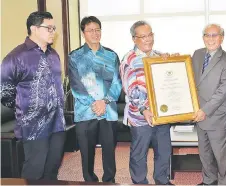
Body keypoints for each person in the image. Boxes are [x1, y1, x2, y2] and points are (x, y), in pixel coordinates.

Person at [0, 11, 66, 180]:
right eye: (48, 28)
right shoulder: (16, 57)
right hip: (34, 127)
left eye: (54, 28)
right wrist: (27, 109)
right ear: (34, 28)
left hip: (57, 123)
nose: (53, 31)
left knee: (52, 169)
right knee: (34, 171)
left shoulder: (53, 54)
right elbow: (4, 93)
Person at [119, 20, 175, 185]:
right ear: (134, 39)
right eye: (143, 36)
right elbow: (131, 89)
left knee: (163, 150)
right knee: (139, 153)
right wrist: (143, 109)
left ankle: (162, 179)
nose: (148, 39)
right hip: (140, 116)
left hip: (161, 114)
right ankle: (139, 181)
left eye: (150, 34)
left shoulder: (158, 56)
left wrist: (170, 61)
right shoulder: (129, 59)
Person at [68, 16, 122, 183]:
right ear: (83, 32)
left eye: (97, 29)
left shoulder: (111, 55)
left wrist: (103, 102)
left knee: (109, 149)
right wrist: (93, 104)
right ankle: (89, 180)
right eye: (90, 30)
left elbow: (117, 82)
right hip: (85, 112)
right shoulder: (74, 57)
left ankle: (109, 180)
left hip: (108, 111)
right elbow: (76, 85)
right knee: (86, 151)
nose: (95, 33)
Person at [191, 24, 226, 185]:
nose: (210, 39)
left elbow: (223, 92)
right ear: (203, 37)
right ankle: (209, 180)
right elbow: (187, 77)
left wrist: (205, 110)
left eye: (214, 35)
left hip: (218, 116)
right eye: (207, 35)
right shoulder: (196, 55)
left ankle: (225, 183)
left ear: (222, 38)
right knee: (205, 154)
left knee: (222, 156)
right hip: (199, 115)